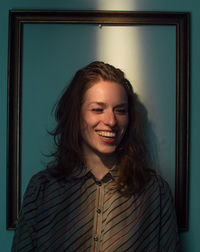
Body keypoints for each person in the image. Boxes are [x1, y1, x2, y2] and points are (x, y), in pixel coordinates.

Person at [12, 61, 179, 251]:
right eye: (98, 109)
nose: (111, 121)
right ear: (76, 114)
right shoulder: (42, 189)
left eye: (120, 110)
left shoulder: (155, 192)